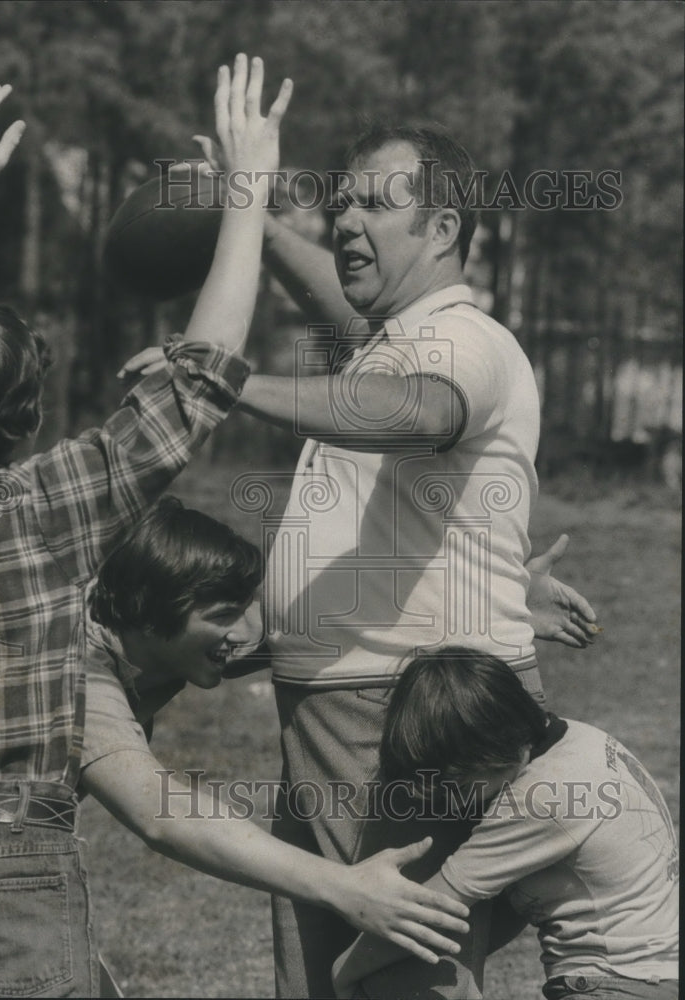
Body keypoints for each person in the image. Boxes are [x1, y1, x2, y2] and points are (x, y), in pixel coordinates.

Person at [0, 62, 470, 998]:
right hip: (7, 866)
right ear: (28, 423)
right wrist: (245, 191)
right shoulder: (48, 510)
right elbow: (201, 377)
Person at [126, 115, 600, 998]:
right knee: (328, 976)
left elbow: (411, 410)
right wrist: (255, 220)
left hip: (394, 714)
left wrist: (226, 381)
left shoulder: (462, 342)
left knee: (394, 978)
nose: (345, 221)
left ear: (443, 228)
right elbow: (341, 313)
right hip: (340, 712)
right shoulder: (397, 336)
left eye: (375, 204)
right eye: (340, 204)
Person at [78, 495, 471, 984]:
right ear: (147, 610)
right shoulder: (66, 666)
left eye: (246, 607)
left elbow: (319, 622)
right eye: (224, 614)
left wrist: (493, 607)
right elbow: (163, 816)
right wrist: (346, 889)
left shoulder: (139, 627)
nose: (245, 632)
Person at [332, 647, 679, 1000]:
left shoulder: (539, 798)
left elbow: (432, 909)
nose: (456, 803)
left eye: (460, 786)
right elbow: (512, 907)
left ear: (493, 750)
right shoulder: (582, 740)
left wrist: (345, 970)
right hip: (657, 974)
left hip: (614, 984)